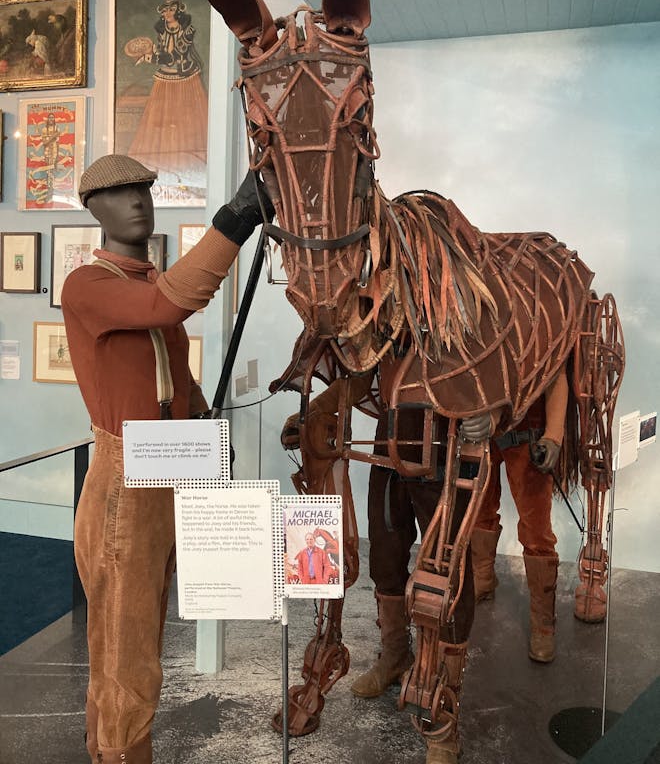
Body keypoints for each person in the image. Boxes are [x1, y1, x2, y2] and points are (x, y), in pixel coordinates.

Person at [61, 154, 272, 764]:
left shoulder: (146, 283)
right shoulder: (89, 286)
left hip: (168, 465)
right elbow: (171, 307)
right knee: (126, 645)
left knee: (140, 629)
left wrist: (203, 421)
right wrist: (235, 220)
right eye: (122, 194)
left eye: (145, 192)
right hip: (124, 477)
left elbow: (173, 371)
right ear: (94, 208)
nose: (138, 203)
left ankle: (110, 747)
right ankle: (122, 752)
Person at [281, 379, 487, 764]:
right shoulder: (385, 323)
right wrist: (317, 410)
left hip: (445, 440)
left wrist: (490, 411)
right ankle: (394, 655)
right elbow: (361, 374)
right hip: (389, 446)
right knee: (385, 557)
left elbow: (491, 359)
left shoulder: (457, 317)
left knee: (449, 574)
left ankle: (445, 711)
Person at [470, 367, 568, 663]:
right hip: (481, 427)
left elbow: (555, 372)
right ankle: (482, 577)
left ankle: (543, 623)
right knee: (479, 511)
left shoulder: (542, 318)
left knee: (536, 530)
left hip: (529, 434)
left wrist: (553, 434)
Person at [126, 0, 208, 189]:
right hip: (165, 76)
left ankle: (185, 165)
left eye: (172, 9)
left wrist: (151, 58)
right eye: (165, 10)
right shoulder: (162, 31)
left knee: (188, 121)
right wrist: (152, 54)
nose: (168, 13)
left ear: (177, 11)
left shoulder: (187, 31)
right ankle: (161, 167)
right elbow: (164, 54)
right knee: (158, 121)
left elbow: (172, 57)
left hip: (185, 76)